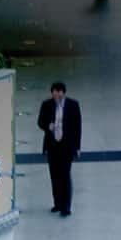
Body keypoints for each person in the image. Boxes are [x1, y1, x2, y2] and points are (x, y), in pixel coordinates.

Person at [37, 83, 84, 216]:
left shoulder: (73, 105)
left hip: (67, 146)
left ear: (64, 93)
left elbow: (78, 127)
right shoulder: (46, 105)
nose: (57, 95)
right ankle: (57, 203)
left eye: (59, 92)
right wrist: (48, 126)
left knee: (65, 174)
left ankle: (66, 206)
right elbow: (40, 122)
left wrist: (78, 147)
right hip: (52, 146)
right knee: (55, 175)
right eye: (54, 92)